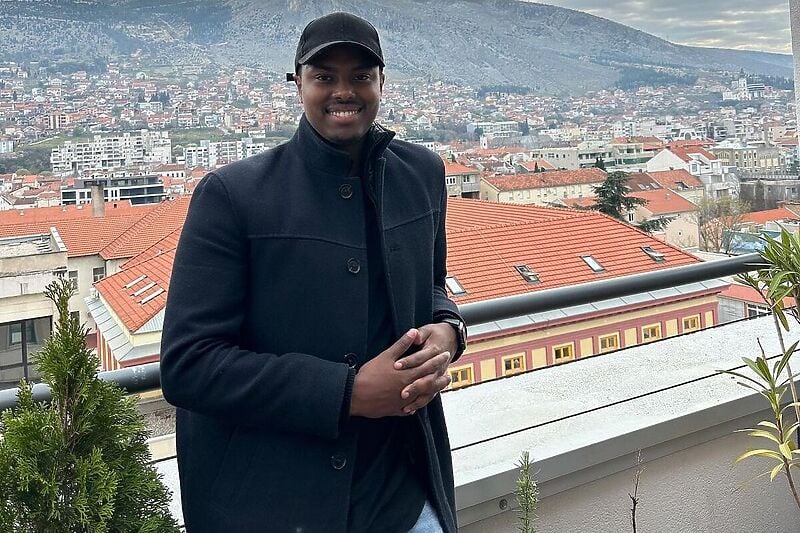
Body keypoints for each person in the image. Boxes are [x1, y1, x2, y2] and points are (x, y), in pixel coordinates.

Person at [160, 11, 467, 533]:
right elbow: (188, 364)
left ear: (381, 83)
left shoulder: (421, 174)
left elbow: (432, 286)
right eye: (325, 76)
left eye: (360, 76)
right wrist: (346, 393)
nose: (343, 91)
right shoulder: (233, 196)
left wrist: (449, 330)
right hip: (276, 504)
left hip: (402, 494)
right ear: (298, 83)